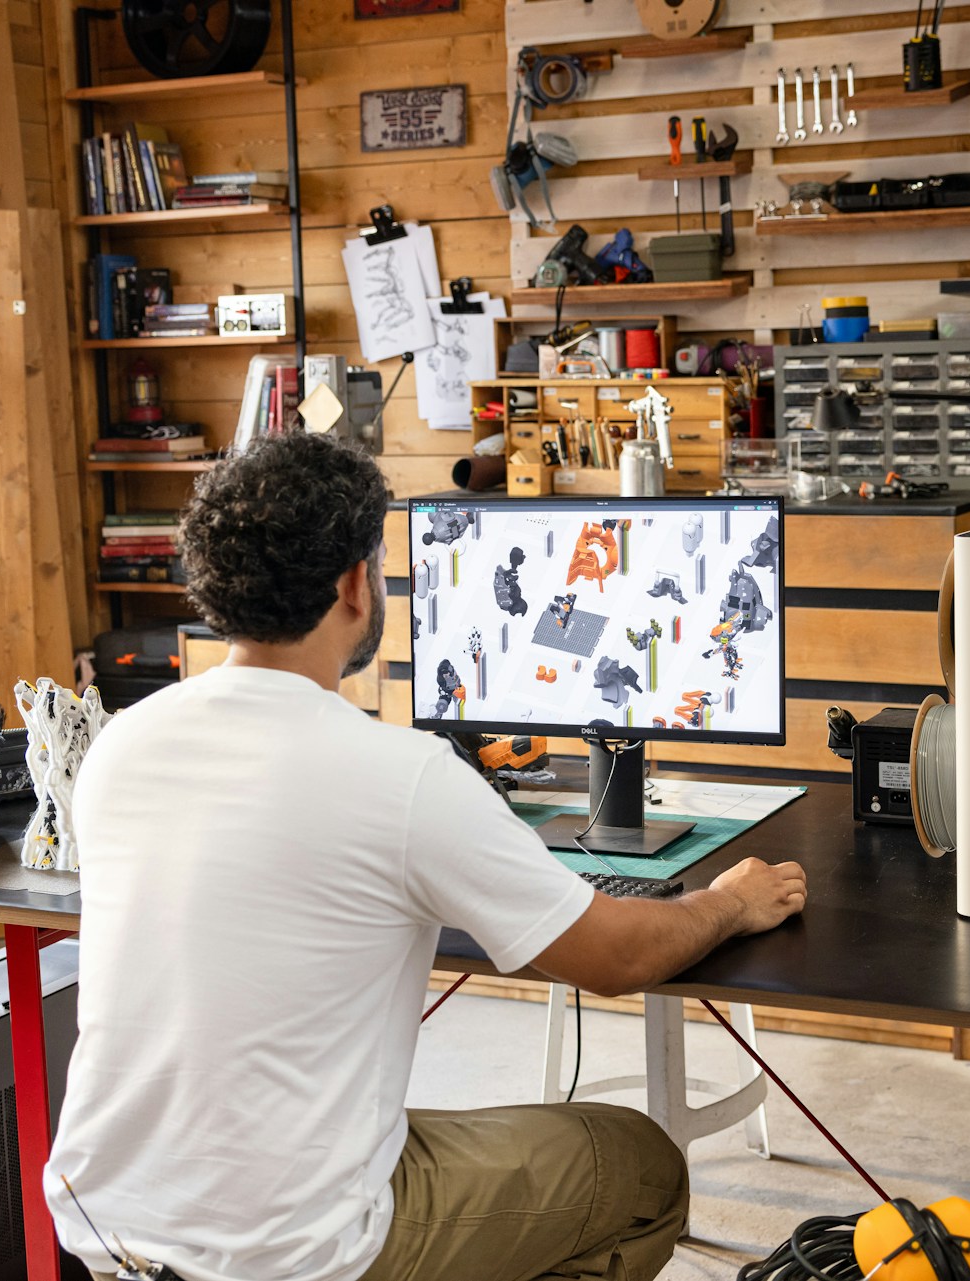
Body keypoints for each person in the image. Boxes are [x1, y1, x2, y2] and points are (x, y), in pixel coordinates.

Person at [45, 433, 808, 1281]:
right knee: (636, 1162)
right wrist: (729, 900)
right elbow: (618, 956)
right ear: (352, 585)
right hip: (298, 1252)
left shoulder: (124, 743)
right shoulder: (399, 775)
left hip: (106, 1225)